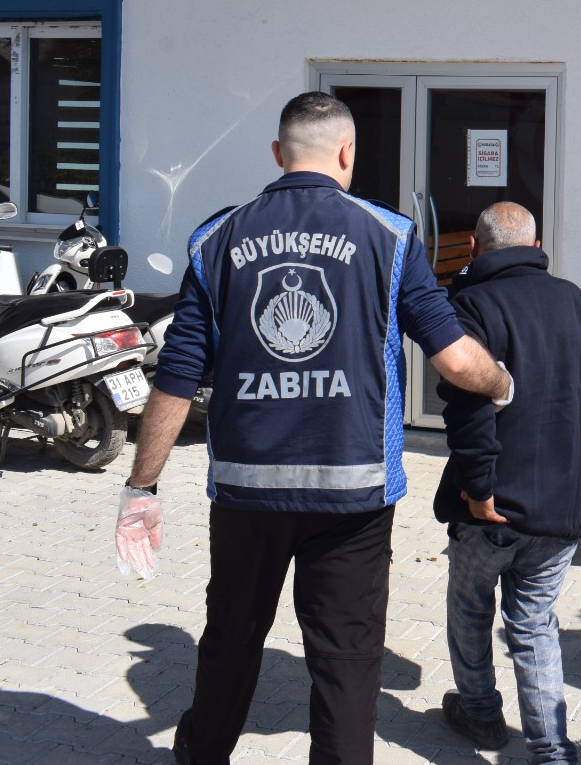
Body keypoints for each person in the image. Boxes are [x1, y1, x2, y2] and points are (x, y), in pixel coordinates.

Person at [115, 92, 515, 765]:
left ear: (278, 154)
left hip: (246, 491)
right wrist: (501, 384)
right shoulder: (390, 236)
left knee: (232, 638)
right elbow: (452, 358)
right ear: (347, 152)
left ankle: (201, 754)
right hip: (353, 493)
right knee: (346, 659)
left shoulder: (217, 238)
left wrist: (141, 488)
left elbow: (177, 375)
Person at [433, 201, 581, 764]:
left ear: (475, 247)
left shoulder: (471, 305)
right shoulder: (577, 303)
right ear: (536, 246)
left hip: (493, 505)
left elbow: (468, 409)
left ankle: (480, 713)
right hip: (562, 505)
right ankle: (551, 750)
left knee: (470, 609)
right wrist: (577, 422)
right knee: (533, 625)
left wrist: (478, 488)